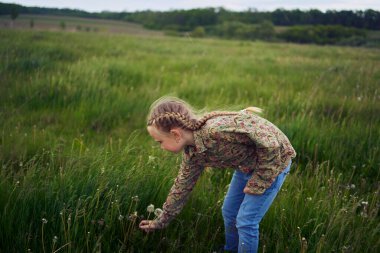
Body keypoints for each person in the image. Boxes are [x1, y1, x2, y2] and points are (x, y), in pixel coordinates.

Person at [139, 96, 296, 253]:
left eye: (160, 142)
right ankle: (231, 249)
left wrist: (259, 181)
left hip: (273, 165)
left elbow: (271, 144)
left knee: (246, 221)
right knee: (229, 212)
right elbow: (181, 187)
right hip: (247, 166)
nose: (161, 147)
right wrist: (161, 221)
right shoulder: (193, 154)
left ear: (176, 134)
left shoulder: (215, 131)